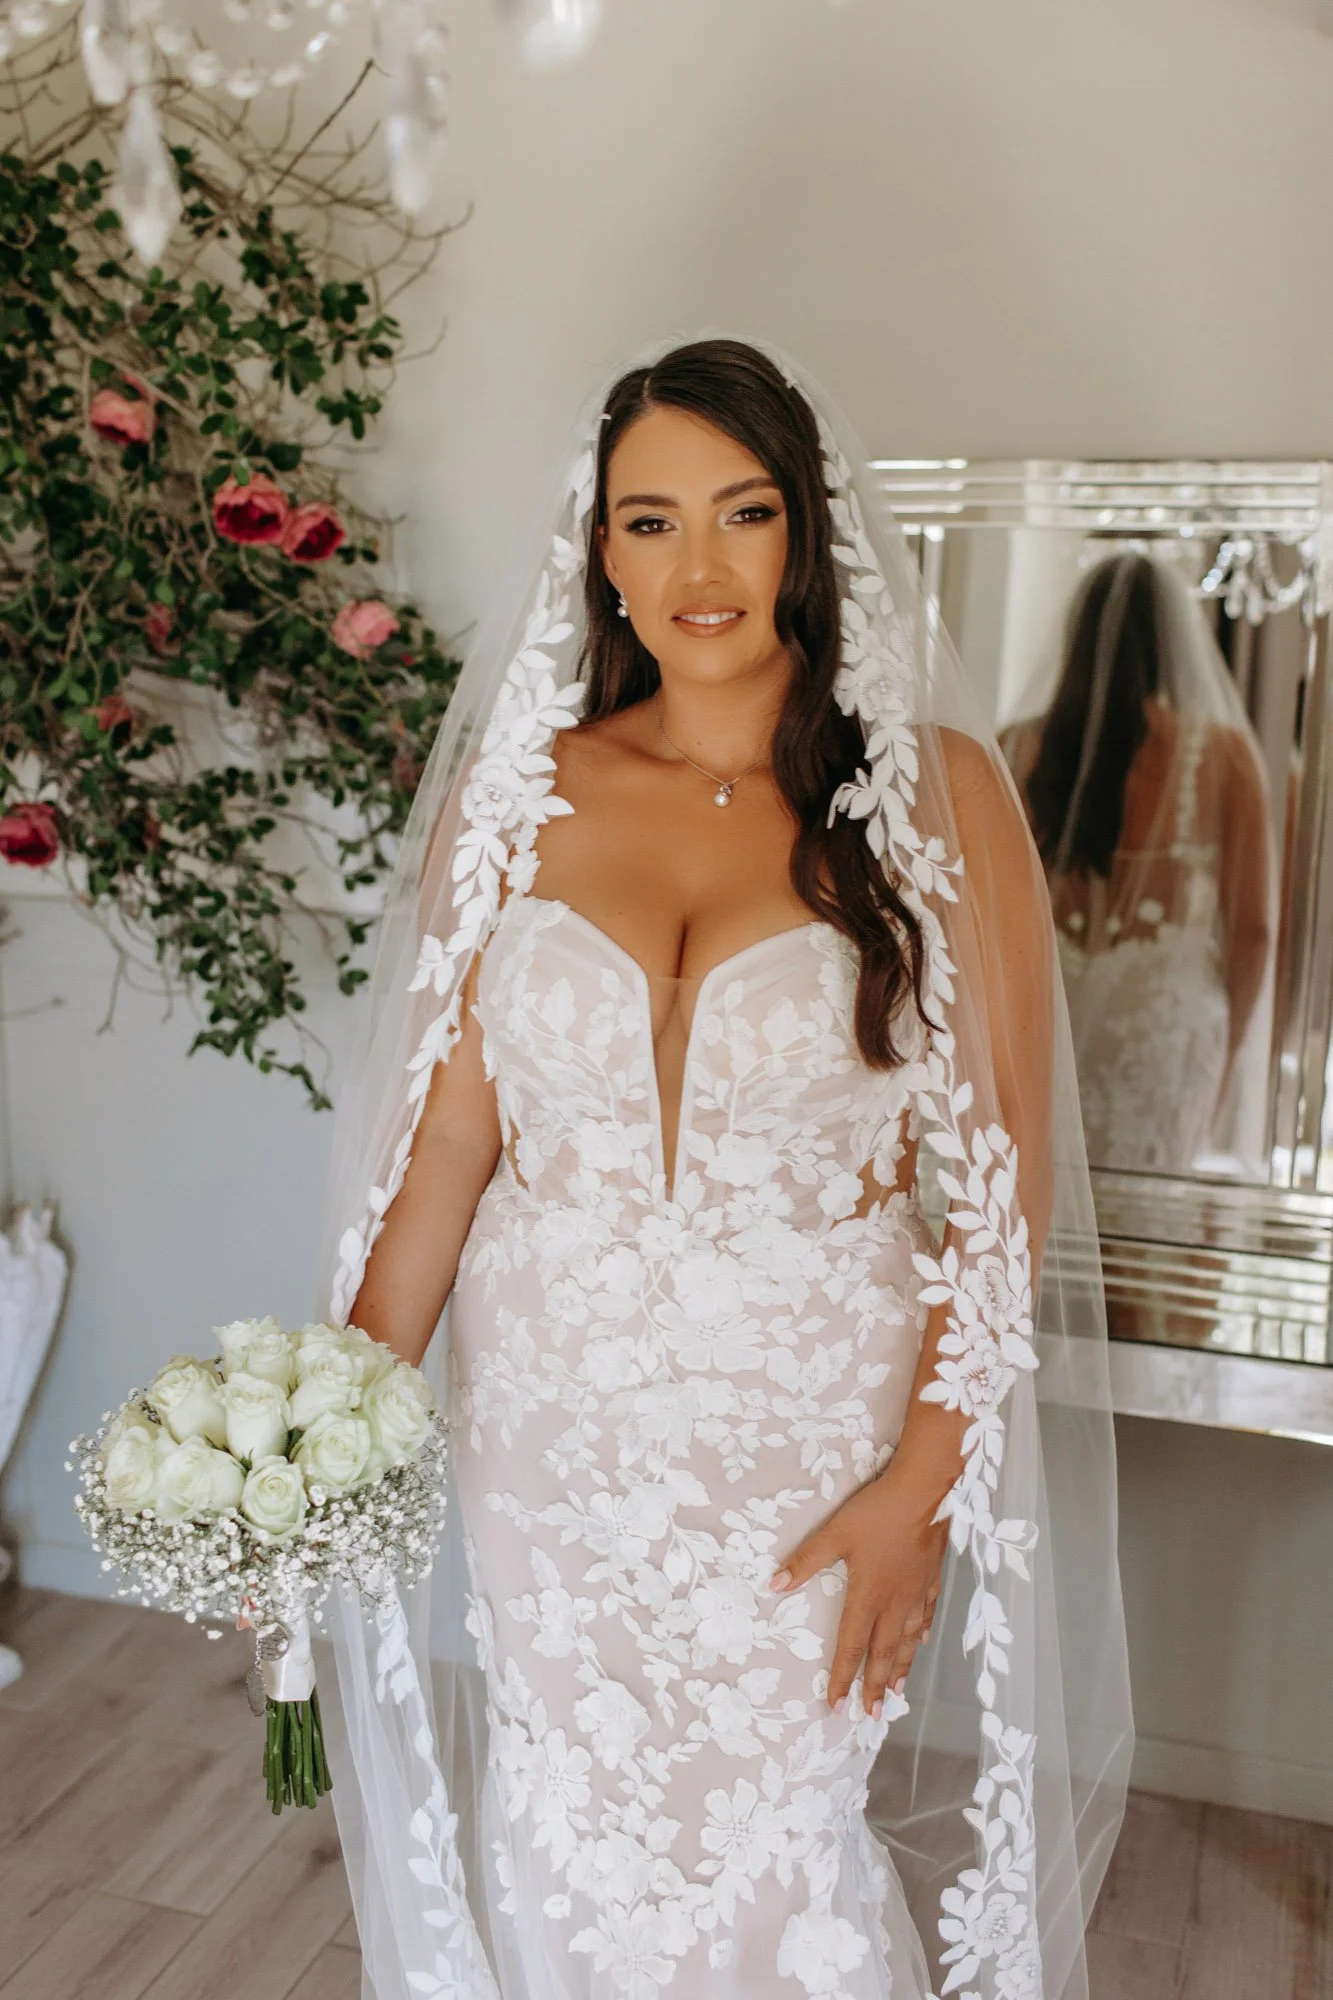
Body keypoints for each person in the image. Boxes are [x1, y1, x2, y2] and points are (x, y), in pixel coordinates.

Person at [319, 338, 1131, 2000]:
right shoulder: (516, 797)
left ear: (805, 534)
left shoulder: (934, 799)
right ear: (601, 554)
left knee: (776, 1844)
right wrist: (323, 1425)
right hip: (547, 1428)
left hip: (805, 1428)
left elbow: (998, 1195)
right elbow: (451, 1147)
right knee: (562, 1822)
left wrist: (917, 1494)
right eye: (652, 520)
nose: (699, 565)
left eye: (743, 512)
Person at [1002, 553, 1275, 1176]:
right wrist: (1228, 1060)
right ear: (1171, 645)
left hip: (1047, 1026)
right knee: (1148, 1214)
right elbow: (1254, 931)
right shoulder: (1225, 758)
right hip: (1163, 1039)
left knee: (1046, 1208)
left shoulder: (1013, 748)